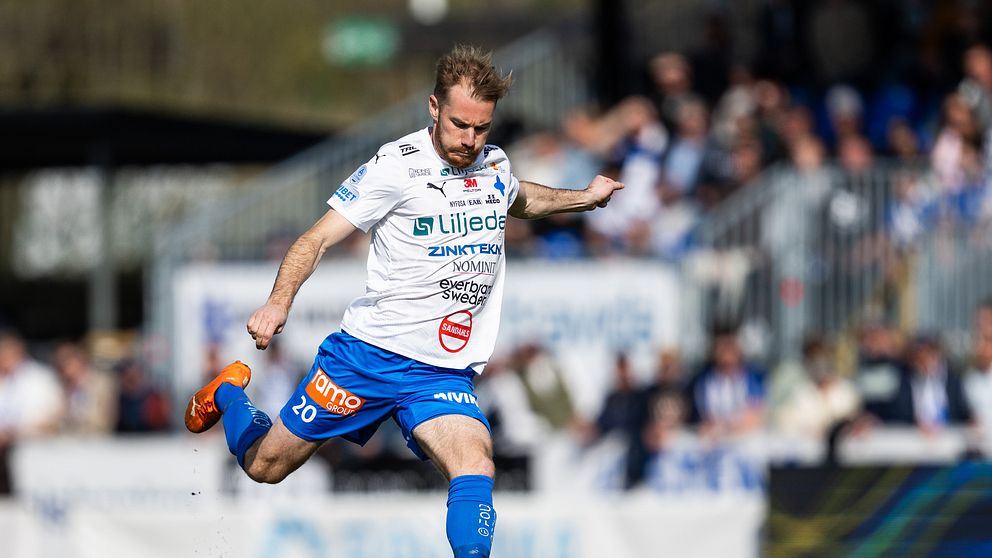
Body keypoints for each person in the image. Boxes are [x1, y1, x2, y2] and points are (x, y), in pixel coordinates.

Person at [184, 44, 623, 558]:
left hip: (440, 372)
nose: (470, 139)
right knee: (265, 467)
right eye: (460, 125)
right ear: (434, 108)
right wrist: (278, 303)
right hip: (367, 358)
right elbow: (316, 238)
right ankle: (230, 395)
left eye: (482, 128)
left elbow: (519, 196)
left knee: (476, 463)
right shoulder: (395, 167)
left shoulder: (493, 164)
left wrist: (583, 198)